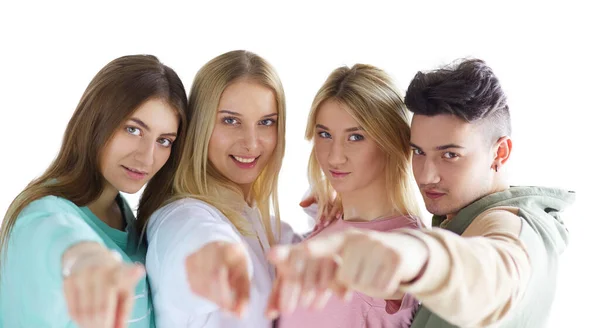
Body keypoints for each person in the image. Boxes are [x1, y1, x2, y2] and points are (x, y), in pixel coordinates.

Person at [270, 58, 573, 328]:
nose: (426, 175)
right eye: (418, 151)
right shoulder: (460, 221)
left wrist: (416, 255)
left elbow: (494, 275)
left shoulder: (511, 229)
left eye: (450, 155)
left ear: (500, 153)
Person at [0, 54, 189, 327]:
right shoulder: (39, 212)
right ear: (96, 120)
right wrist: (86, 259)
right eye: (133, 129)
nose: (147, 158)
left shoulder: (125, 217)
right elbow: (59, 237)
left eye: (163, 140)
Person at [145, 50, 299, 328]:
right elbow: (198, 240)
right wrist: (217, 257)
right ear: (201, 125)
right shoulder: (183, 217)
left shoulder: (261, 224)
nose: (251, 143)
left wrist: (334, 209)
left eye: (266, 122)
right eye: (230, 120)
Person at [269, 64, 424, 328]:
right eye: (325, 134)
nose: (335, 156)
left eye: (356, 137)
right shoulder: (328, 221)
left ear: (392, 141)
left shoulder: (400, 251)